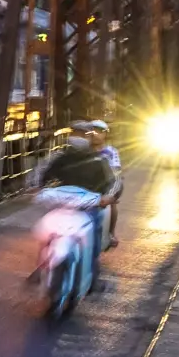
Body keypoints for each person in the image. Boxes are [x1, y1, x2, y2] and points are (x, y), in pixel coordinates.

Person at [38, 131, 114, 290]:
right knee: (47, 231)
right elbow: (45, 179)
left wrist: (104, 198)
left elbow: (111, 184)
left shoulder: (94, 159)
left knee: (93, 238)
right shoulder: (95, 160)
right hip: (71, 206)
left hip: (85, 207)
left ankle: (92, 277)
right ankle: (44, 267)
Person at [81, 120, 123, 248]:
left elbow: (115, 172)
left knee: (112, 203)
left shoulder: (110, 151)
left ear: (105, 134)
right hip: (83, 184)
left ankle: (110, 233)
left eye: (99, 131)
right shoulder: (82, 150)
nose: (95, 134)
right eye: (93, 131)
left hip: (103, 185)